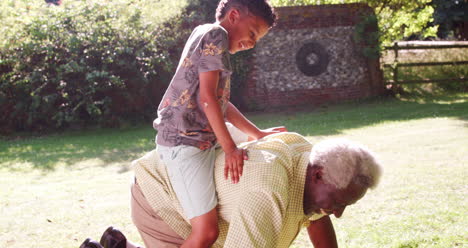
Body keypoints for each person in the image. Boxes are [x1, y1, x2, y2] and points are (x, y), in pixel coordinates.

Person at [80, 129, 383, 248]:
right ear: (317, 175)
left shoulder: (307, 156)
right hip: (162, 197)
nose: (338, 213)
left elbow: (319, 219)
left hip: (197, 202)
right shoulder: (268, 188)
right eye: (338, 201)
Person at [151, 0, 284, 247]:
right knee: (207, 233)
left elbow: (219, 102)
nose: (252, 43)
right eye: (253, 33)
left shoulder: (206, 33)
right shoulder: (217, 35)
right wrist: (230, 148)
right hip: (183, 144)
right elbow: (207, 100)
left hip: (194, 138)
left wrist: (257, 134)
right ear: (234, 15)